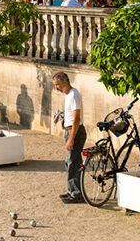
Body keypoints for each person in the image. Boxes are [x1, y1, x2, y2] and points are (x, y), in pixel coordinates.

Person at [52, 71, 85, 204]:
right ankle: (73, 190)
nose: (56, 88)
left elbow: (76, 119)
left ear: (64, 82)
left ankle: (76, 193)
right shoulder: (69, 96)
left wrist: (71, 138)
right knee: (71, 162)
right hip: (70, 130)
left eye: (57, 85)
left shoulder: (74, 95)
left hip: (74, 132)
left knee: (73, 162)